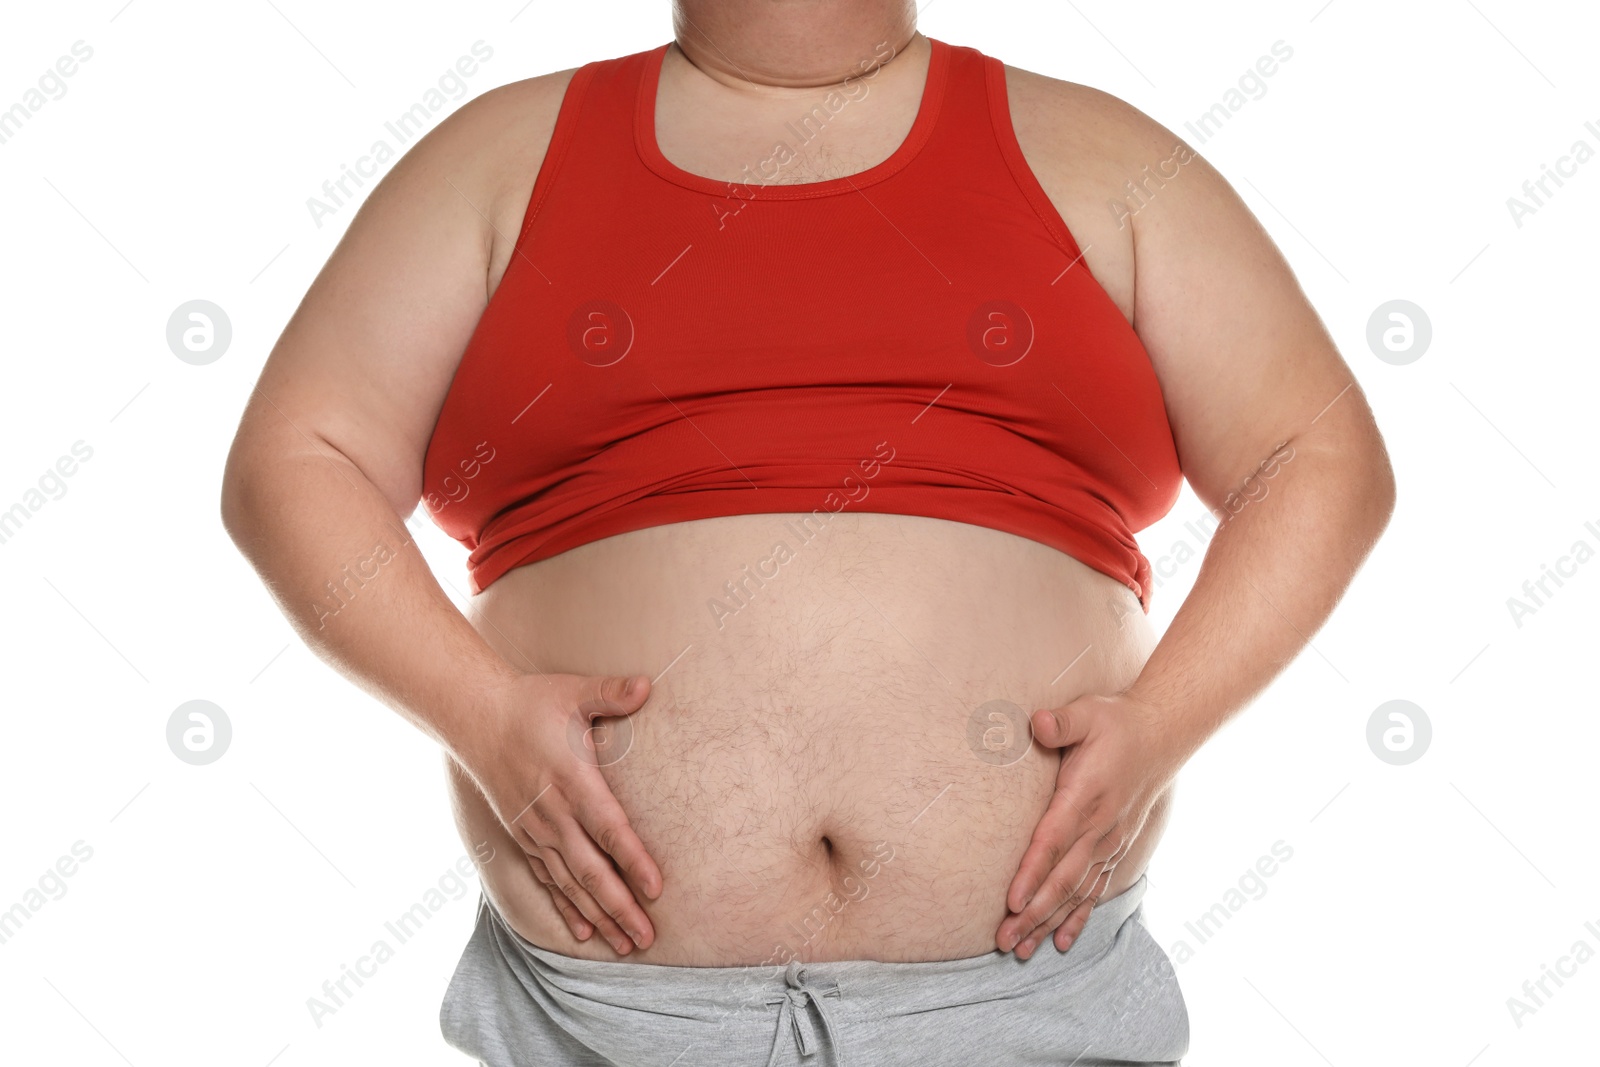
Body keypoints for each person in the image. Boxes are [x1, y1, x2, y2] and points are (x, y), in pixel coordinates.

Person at [221, 2, 1395, 1063]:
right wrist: (479, 714)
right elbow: (293, 465)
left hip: (1025, 994)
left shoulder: (1107, 158)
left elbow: (1319, 458)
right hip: (615, 1016)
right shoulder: (493, 159)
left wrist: (1159, 727)